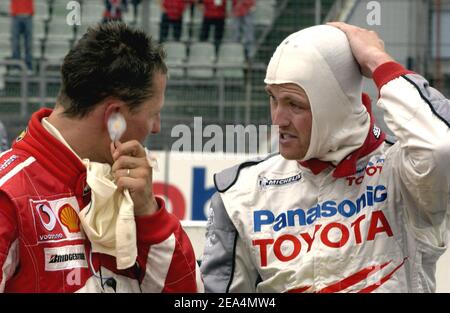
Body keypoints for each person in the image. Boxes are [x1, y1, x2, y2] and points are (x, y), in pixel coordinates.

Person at [200, 23, 450, 293]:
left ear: (335, 105)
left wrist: (378, 62)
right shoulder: (241, 193)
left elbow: (441, 145)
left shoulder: (404, 175)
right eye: (273, 99)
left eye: (294, 104)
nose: (278, 119)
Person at [0, 22, 203, 293]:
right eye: (153, 113)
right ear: (114, 117)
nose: (157, 127)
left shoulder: (126, 188)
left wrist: (150, 217)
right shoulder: (9, 196)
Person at [10, 0, 34, 73]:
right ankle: (16, 67)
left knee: (28, 44)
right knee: (15, 44)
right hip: (16, 16)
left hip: (28, 16)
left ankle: (29, 66)